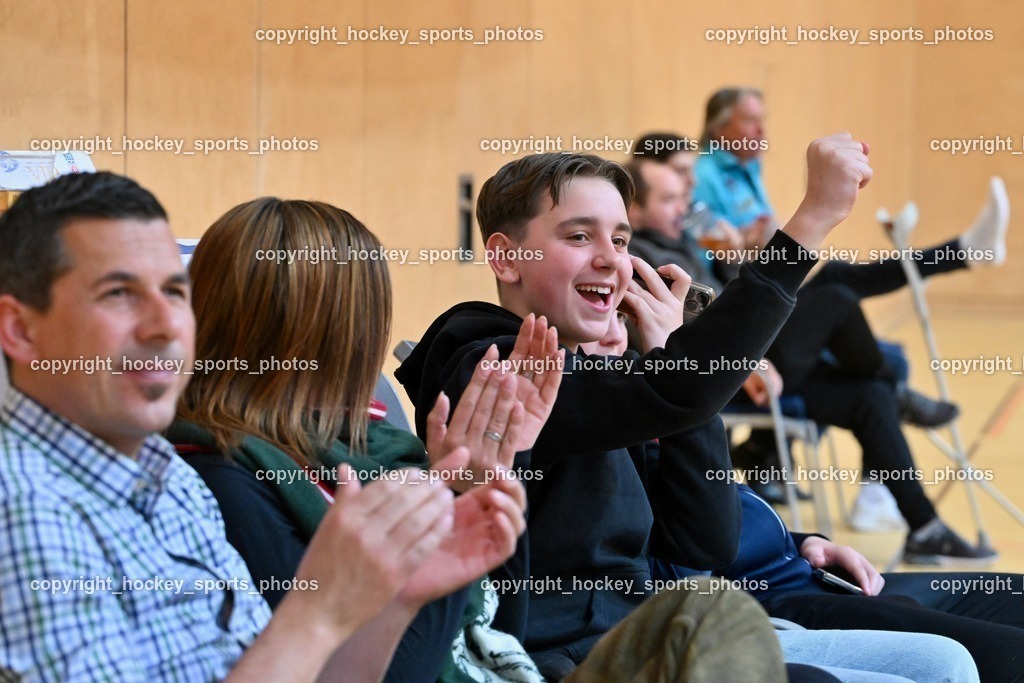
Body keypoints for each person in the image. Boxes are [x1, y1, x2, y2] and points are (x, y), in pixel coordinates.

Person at [0, 172, 514, 682]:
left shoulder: (167, 480)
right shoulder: (26, 511)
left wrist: (407, 596)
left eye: (176, 293)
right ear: (20, 331)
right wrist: (321, 612)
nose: (167, 325)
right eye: (117, 293)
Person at [397, 134, 873, 679]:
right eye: (579, 236)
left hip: (644, 638)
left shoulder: (597, 374)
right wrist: (809, 222)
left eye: (622, 241)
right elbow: (677, 390)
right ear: (507, 258)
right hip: (565, 664)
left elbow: (706, 541)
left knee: (945, 661)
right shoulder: (491, 364)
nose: (609, 259)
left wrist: (677, 382)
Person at [627, 141, 1006, 563]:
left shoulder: (681, 242)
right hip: (721, 379)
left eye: (683, 196)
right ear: (635, 212)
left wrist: (738, 254)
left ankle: (926, 530)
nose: (683, 207)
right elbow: (675, 342)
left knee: (868, 395)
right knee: (835, 297)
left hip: (749, 362)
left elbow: (726, 300)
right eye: (668, 199)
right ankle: (959, 259)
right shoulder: (643, 260)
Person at [583, 313, 982, 683]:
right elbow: (692, 560)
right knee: (957, 662)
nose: (617, 338)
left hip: (803, 570)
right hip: (769, 602)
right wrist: (689, 384)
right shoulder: (617, 444)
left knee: (872, 389)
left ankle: (897, 487)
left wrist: (805, 540)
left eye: (621, 317)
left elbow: (728, 518)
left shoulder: (657, 424)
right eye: (603, 327)